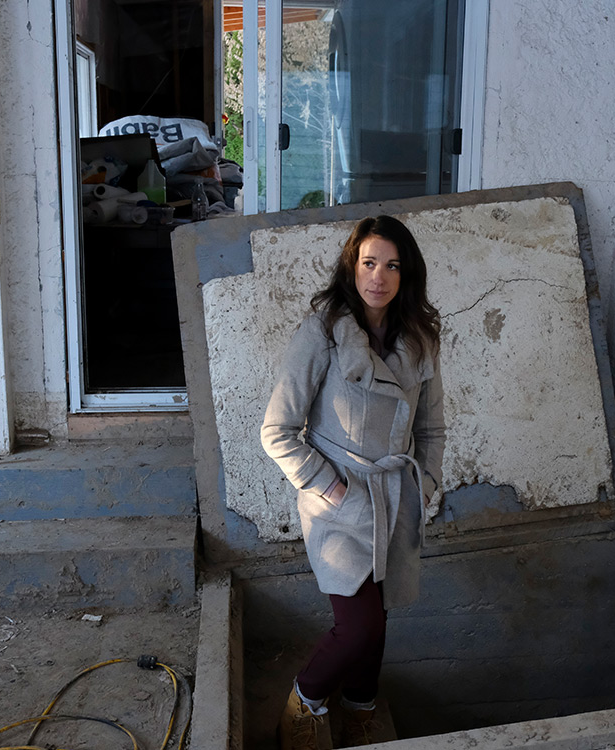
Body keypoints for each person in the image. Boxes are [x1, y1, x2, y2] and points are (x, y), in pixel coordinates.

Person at [261, 215, 445, 749]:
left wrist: (425, 484)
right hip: (337, 502)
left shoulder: (419, 340)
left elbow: (431, 426)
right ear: (352, 265)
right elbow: (277, 430)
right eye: (369, 263)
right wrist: (331, 488)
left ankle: (360, 705)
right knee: (357, 624)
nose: (379, 277)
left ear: (406, 274)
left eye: (392, 265)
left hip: (395, 496)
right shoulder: (322, 331)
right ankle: (305, 698)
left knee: (379, 615)